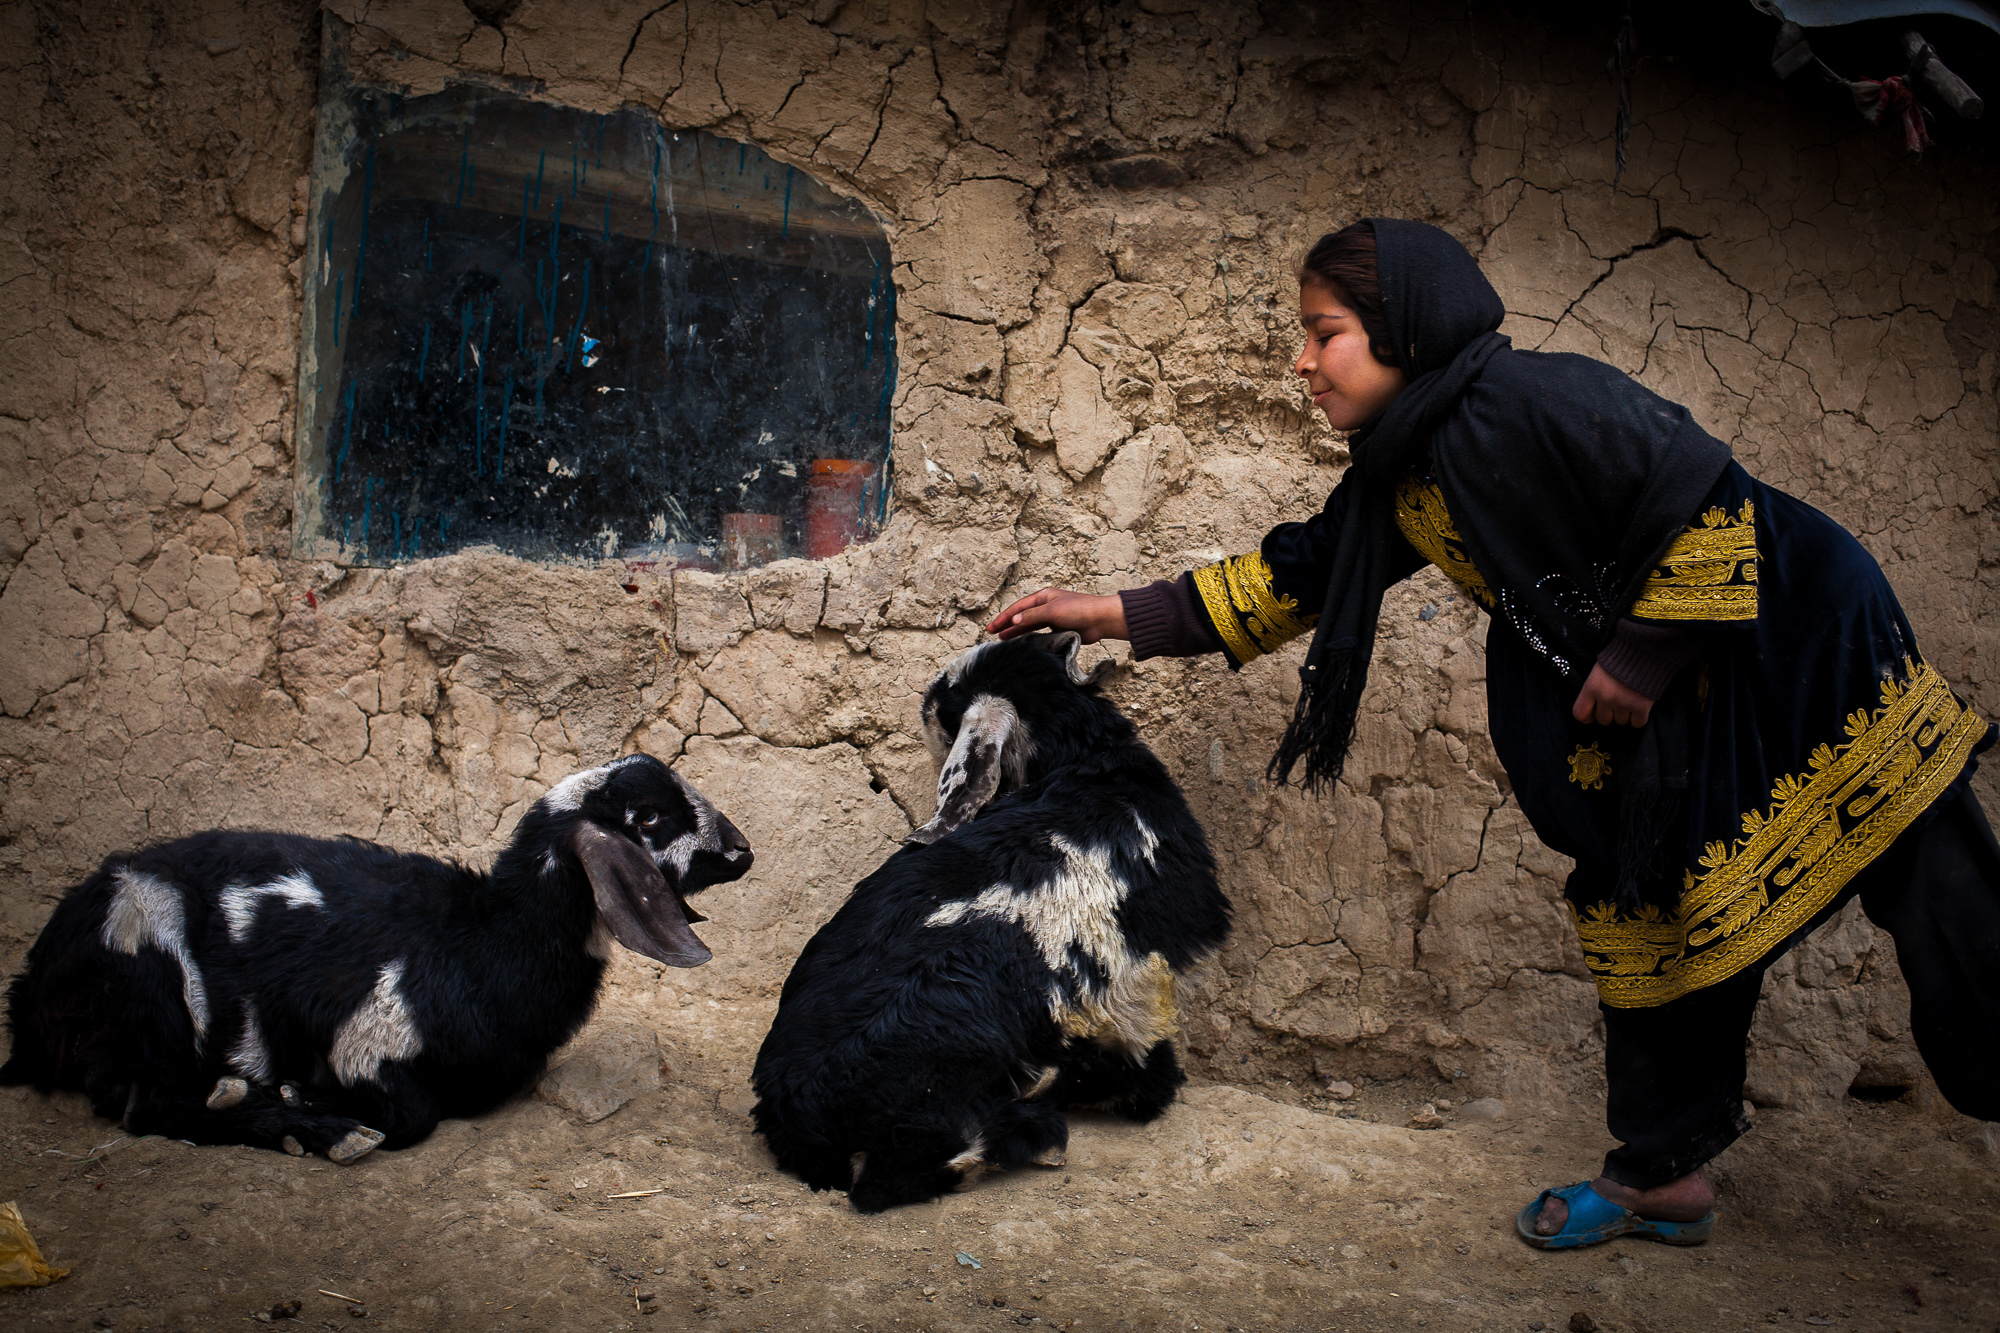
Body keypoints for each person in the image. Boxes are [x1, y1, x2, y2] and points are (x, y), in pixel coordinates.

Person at [987, 219, 2000, 1249]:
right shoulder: (1404, 469)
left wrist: (1640, 655)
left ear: (1404, 332)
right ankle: (1662, 1174)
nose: (1300, 362)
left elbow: (1709, 491)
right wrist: (1103, 611)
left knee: (1933, 875)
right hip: (1682, 692)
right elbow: (1298, 573)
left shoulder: (1531, 400)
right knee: (1645, 905)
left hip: (1793, 639)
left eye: (1320, 332)